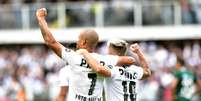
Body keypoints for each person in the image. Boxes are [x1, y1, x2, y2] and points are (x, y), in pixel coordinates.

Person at [36, 8, 135, 101]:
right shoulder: (104, 60)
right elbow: (130, 60)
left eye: (78, 39)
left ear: (83, 42)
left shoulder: (74, 57)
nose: (77, 42)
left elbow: (50, 41)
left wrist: (41, 18)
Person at [77, 39, 151, 101]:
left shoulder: (113, 69)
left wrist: (85, 53)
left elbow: (98, 69)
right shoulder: (134, 69)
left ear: (109, 51)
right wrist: (138, 52)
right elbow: (147, 72)